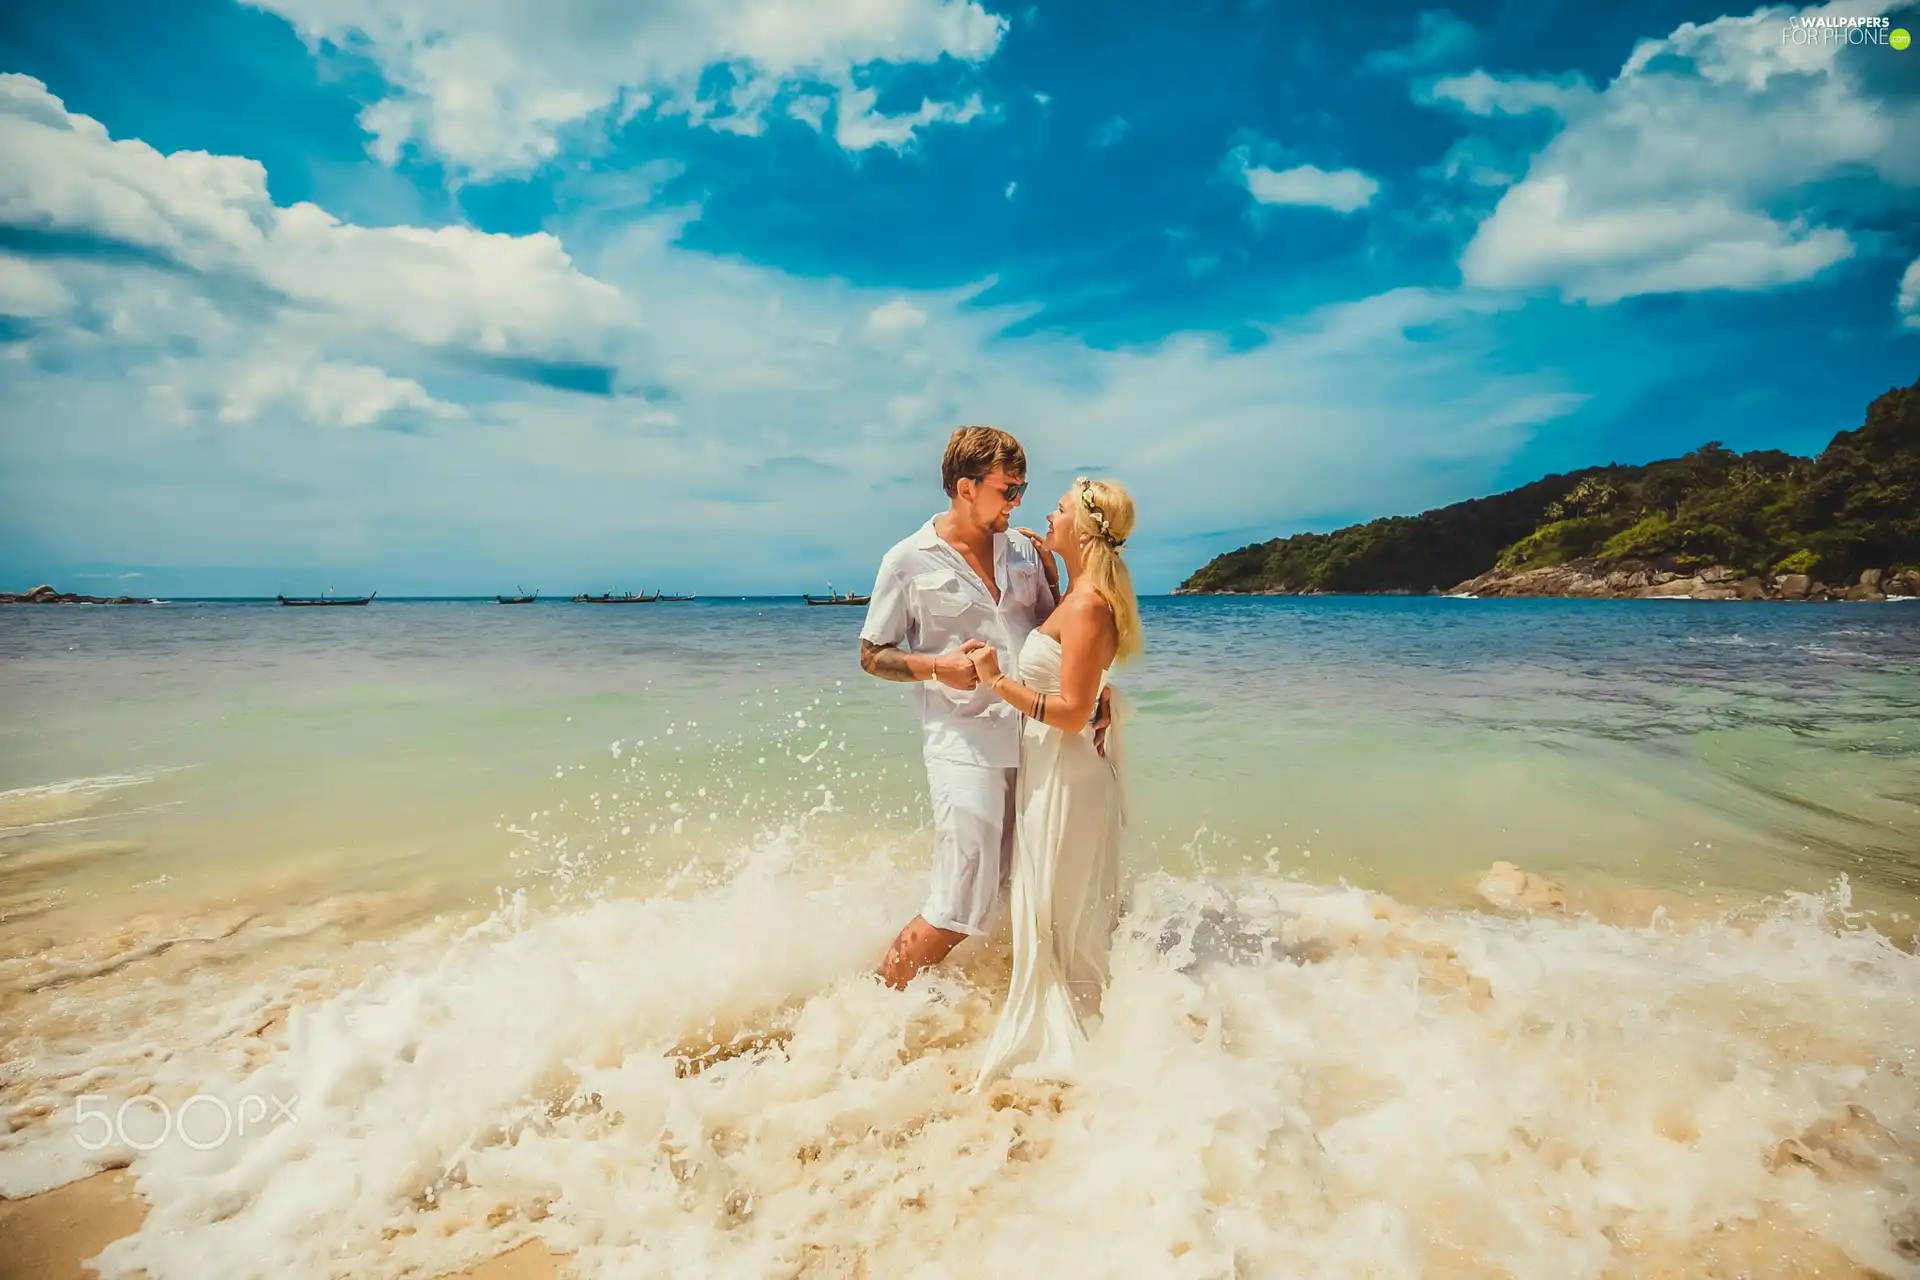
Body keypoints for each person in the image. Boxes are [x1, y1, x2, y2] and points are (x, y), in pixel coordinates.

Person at [859, 427, 1107, 989]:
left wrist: (1098, 685)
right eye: (1008, 489)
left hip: (1038, 740)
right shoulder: (906, 560)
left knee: (1024, 884)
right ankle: (871, 1002)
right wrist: (935, 667)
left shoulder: (1023, 549)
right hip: (962, 743)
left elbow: (1058, 634)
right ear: (966, 488)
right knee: (960, 897)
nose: (1018, 501)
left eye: (1021, 488)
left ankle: (991, 1006)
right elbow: (872, 656)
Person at [965, 477, 1139, 1085]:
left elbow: (1068, 713)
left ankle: (1090, 1051)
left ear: (1086, 530)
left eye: (1060, 509)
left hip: (1067, 776)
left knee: (1060, 918)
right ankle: (1107, 1030)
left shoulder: (1090, 603)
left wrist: (995, 681)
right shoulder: (1078, 594)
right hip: (1053, 771)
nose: (1048, 513)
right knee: (1051, 911)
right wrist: (1050, 564)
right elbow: (1079, 674)